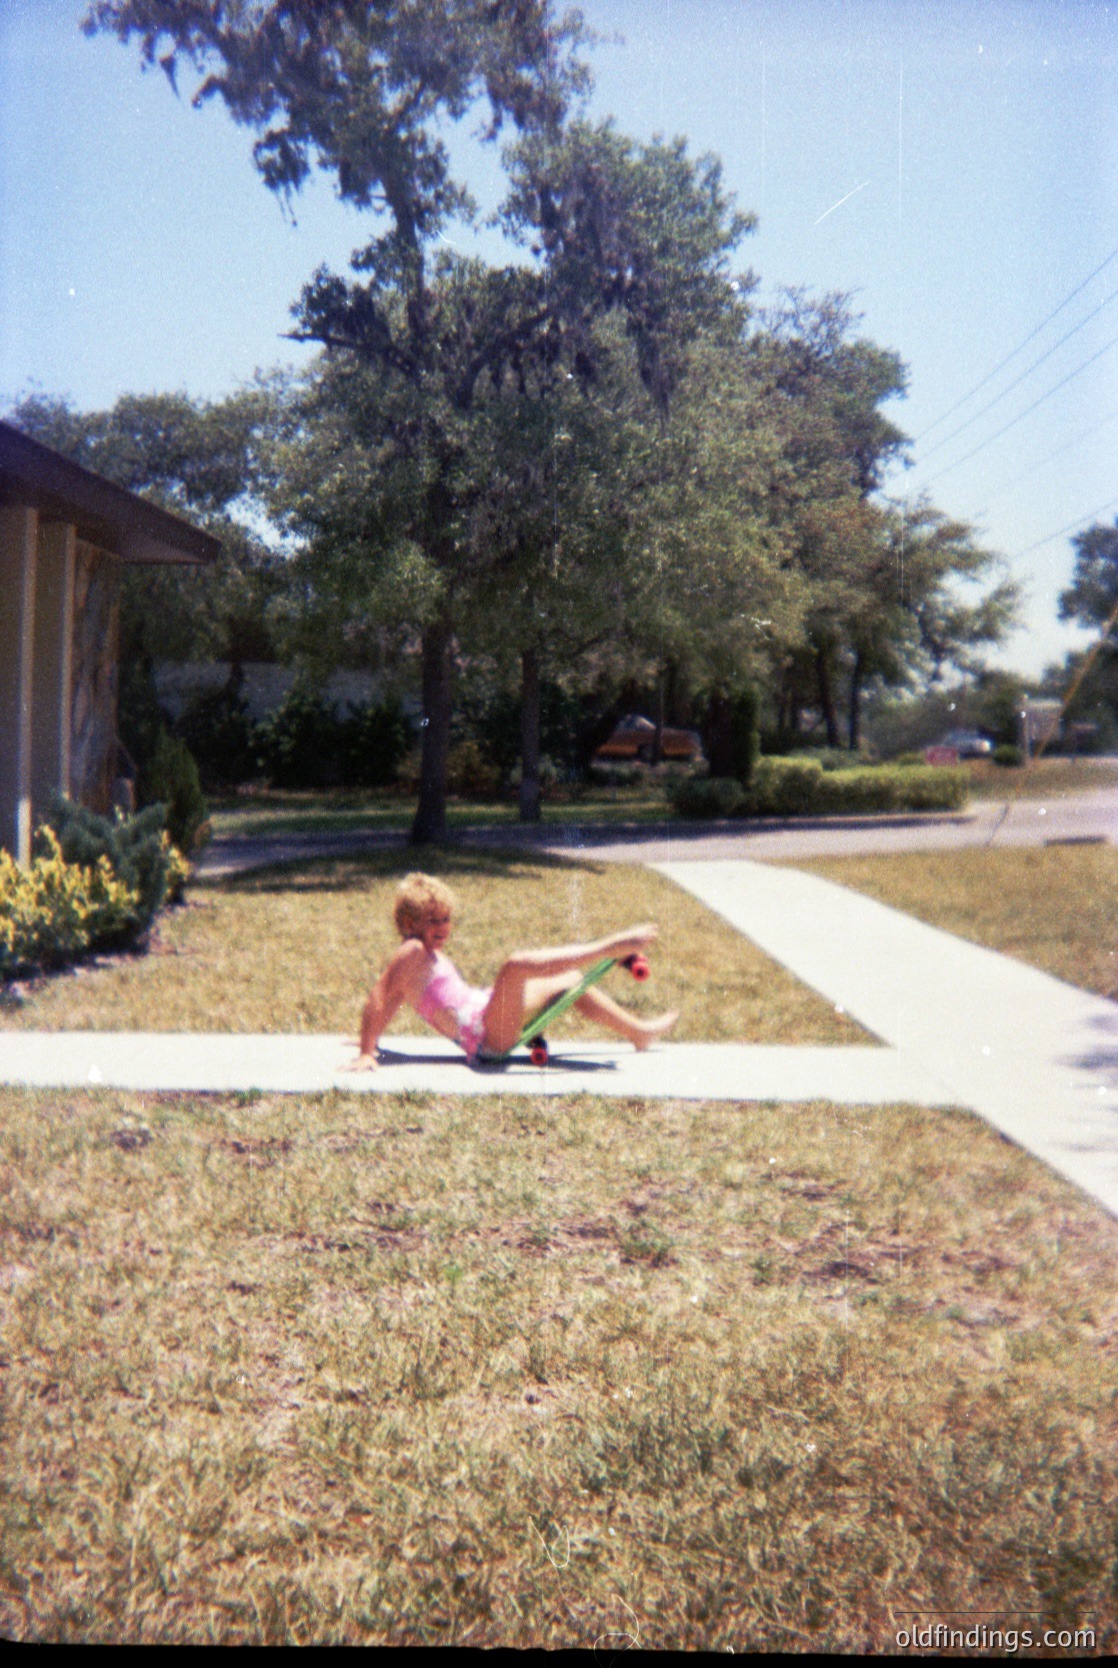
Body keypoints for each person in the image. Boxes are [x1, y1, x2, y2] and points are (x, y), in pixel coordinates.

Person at [345, 872, 678, 1070]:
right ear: (408, 923)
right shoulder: (413, 951)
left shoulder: (420, 955)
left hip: (485, 1012)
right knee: (515, 966)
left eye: (445, 919)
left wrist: (372, 1040)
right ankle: (608, 947)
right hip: (483, 1037)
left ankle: (639, 1032)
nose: (442, 928)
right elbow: (381, 995)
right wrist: (364, 1051)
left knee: (570, 981)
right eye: (432, 920)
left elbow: (391, 1001)